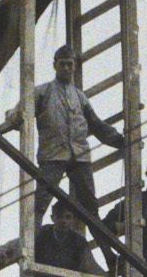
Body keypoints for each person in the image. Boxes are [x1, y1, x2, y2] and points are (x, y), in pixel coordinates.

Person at [34, 45, 126, 225]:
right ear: (55, 65)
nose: (67, 68)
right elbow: (20, 112)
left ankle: (108, 253)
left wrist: (120, 141)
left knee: (91, 207)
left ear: (75, 66)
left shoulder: (80, 97)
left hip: (79, 156)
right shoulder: (43, 92)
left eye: (70, 65)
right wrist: (10, 118)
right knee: (40, 203)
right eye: (63, 64)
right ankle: (33, 247)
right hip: (53, 155)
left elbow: (97, 125)